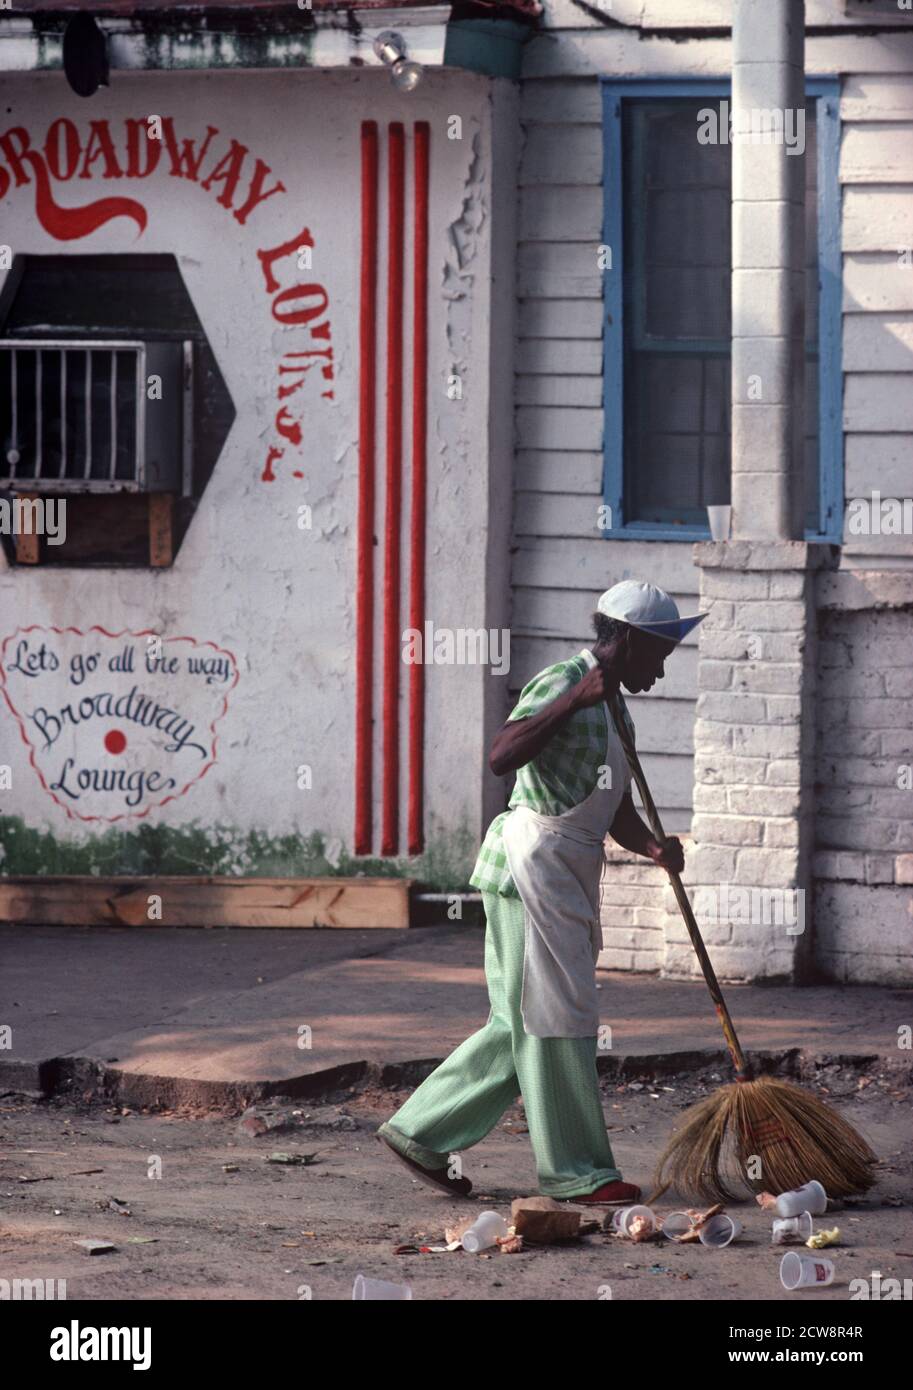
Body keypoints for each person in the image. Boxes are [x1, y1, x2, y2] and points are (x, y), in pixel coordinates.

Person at [377, 580, 707, 1204]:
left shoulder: (617, 707)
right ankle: (577, 1174)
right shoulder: (565, 681)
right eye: (660, 655)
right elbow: (503, 755)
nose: (662, 671)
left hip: (563, 871)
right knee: (556, 1017)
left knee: (523, 1020)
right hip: (533, 869)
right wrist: (574, 700)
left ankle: (420, 1132)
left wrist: (653, 848)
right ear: (629, 640)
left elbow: (612, 806)